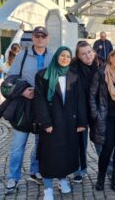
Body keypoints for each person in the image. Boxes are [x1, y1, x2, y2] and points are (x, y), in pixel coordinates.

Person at [5, 26, 53, 195]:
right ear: (32, 37)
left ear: (48, 38)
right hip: (24, 106)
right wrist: (23, 90)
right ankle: (13, 177)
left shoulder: (53, 56)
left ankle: (35, 170)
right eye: (37, 35)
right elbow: (11, 77)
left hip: (43, 107)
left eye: (43, 36)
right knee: (19, 145)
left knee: (41, 143)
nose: (40, 38)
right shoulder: (22, 55)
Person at [34, 46, 87, 200]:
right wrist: (46, 123)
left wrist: (82, 122)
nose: (65, 58)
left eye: (68, 56)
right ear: (57, 56)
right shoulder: (43, 75)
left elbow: (80, 100)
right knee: (49, 155)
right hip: (51, 123)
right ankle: (48, 188)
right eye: (62, 55)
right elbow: (40, 101)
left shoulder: (74, 75)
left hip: (70, 123)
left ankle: (63, 180)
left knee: (66, 153)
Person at [89, 48, 115, 191]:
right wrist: (95, 115)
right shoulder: (101, 73)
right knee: (106, 149)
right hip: (105, 118)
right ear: (111, 58)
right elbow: (92, 95)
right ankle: (100, 178)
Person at [69, 41, 101, 183]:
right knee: (80, 143)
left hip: (97, 110)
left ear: (93, 52)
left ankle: (111, 167)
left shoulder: (100, 65)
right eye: (83, 54)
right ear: (78, 56)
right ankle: (79, 171)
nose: (88, 56)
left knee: (102, 142)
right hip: (80, 111)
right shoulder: (73, 69)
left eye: (89, 52)